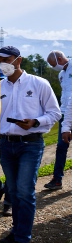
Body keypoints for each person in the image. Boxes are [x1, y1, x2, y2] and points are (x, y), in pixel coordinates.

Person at [0, 46, 61, 243]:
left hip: (30, 144)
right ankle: (16, 231)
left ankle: (22, 241)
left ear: (18, 60)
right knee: (13, 190)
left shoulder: (39, 84)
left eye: (7, 59)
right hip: (6, 144)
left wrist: (35, 122)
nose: (2, 63)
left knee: (25, 191)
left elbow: (55, 113)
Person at [44, 50, 72, 190]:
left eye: (53, 64)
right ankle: (57, 179)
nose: (53, 67)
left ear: (60, 59)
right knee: (61, 147)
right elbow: (64, 97)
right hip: (65, 114)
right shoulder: (61, 75)